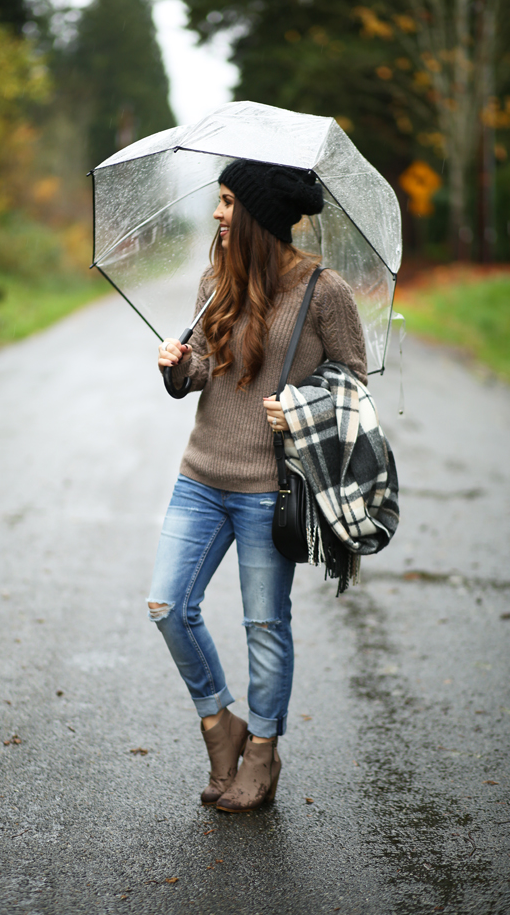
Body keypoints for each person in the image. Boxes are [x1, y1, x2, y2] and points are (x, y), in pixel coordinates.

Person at [147, 159, 367, 812]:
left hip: (271, 491)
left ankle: (262, 755)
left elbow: (354, 386)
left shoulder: (323, 293)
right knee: (167, 606)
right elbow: (202, 377)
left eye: (224, 202)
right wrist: (177, 367)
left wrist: (301, 407)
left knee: (265, 623)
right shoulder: (218, 282)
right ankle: (221, 726)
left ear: (256, 214)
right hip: (201, 477)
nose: (216, 214)